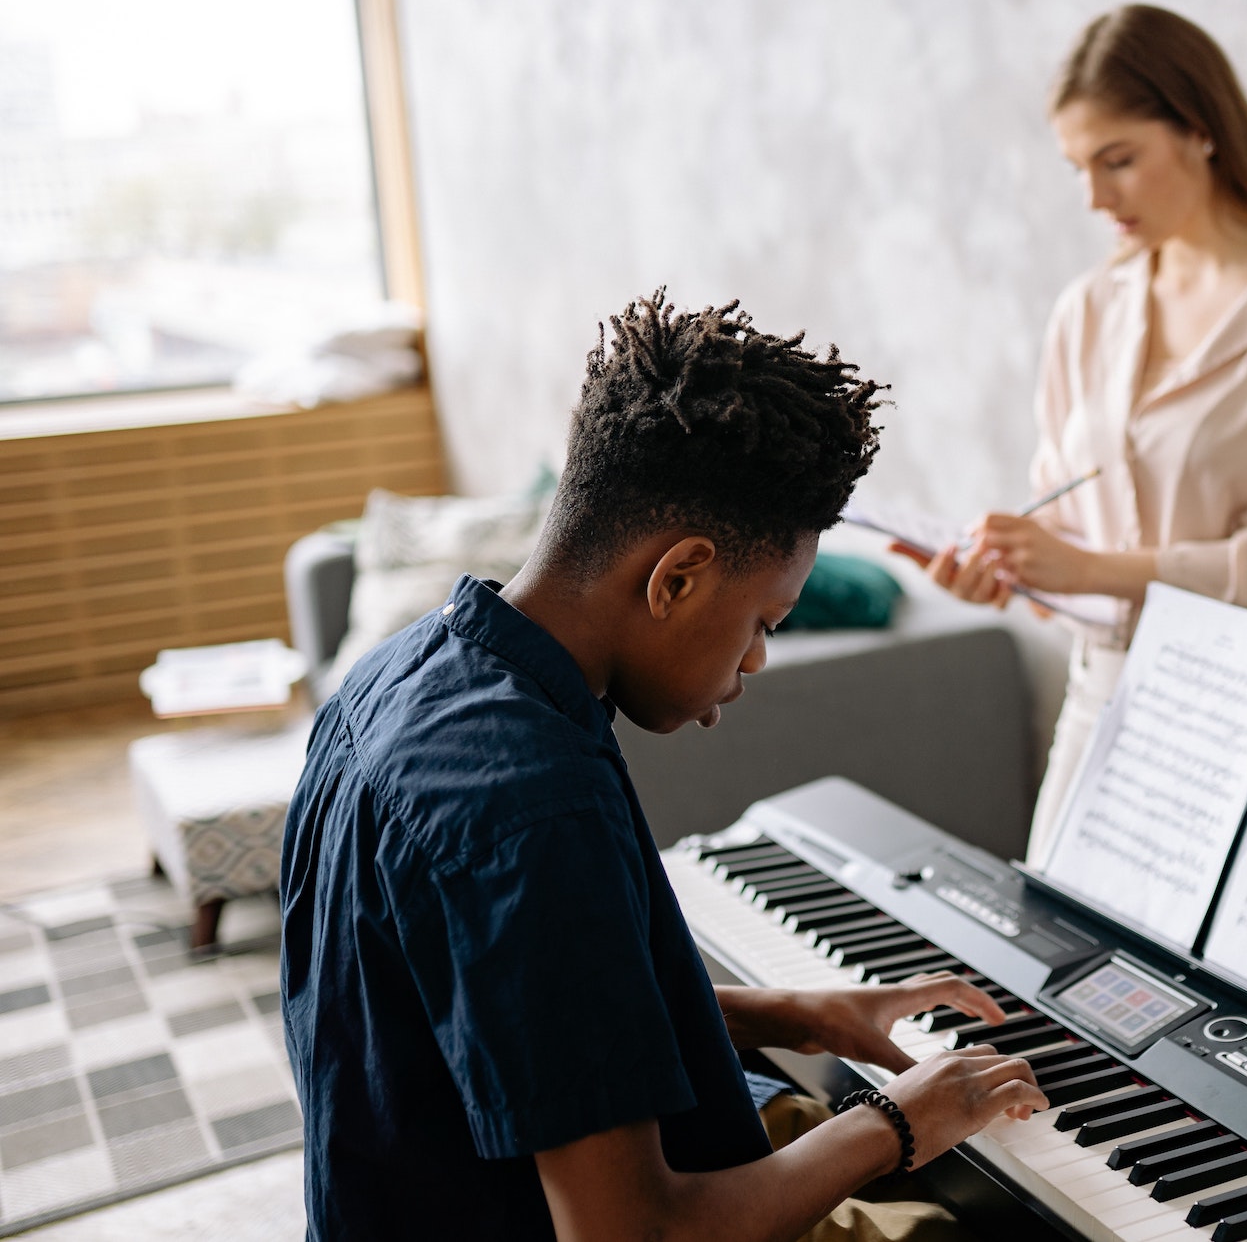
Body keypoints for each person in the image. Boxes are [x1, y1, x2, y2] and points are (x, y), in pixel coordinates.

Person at [279, 293, 1046, 1242]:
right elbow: (634, 1233)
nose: (759, 658)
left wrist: (799, 1011)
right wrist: (896, 1120)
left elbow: (511, 1011)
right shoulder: (533, 807)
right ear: (676, 575)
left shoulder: (398, 674)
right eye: (765, 620)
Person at [895, 4, 1247, 867]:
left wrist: (1093, 570)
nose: (1094, 197)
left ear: (1200, 129)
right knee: (1056, 985)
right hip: (1106, 713)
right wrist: (1014, 577)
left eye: (1117, 160)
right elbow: (1073, 534)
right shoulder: (1086, 310)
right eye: (1078, 168)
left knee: (1229, 1005)